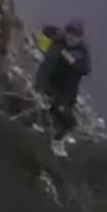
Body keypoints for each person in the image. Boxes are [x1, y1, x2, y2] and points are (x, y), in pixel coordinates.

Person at [35, 18, 91, 156]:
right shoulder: (58, 46)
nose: (73, 38)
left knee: (64, 119)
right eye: (71, 34)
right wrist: (39, 87)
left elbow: (86, 69)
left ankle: (54, 140)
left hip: (69, 92)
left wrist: (73, 63)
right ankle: (53, 143)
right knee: (67, 120)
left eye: (76, 36)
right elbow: (46, 67)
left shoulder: (82, 50)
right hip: (54, 87)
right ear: (66, 33)